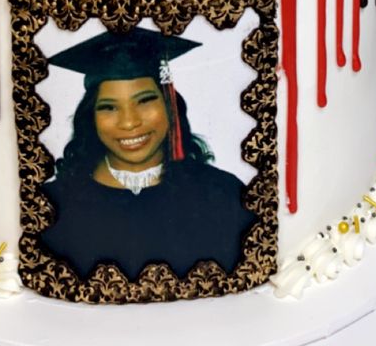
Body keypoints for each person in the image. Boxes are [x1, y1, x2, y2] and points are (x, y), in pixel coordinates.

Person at [40, 27, 255, 280]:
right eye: (108, 107)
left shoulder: (224, 195)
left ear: (170, 106)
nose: (129, 123)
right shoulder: (53, 207)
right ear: (91, 118)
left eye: (144, 101)